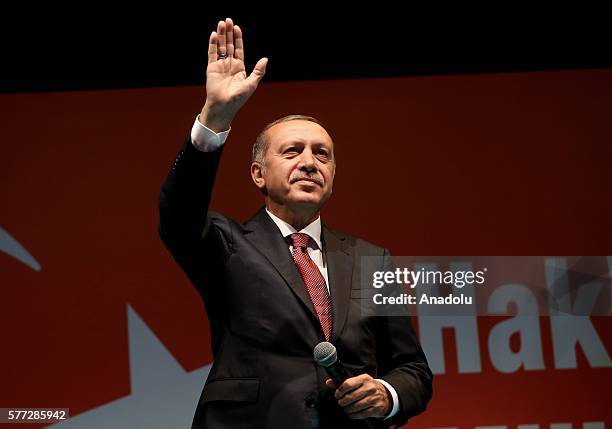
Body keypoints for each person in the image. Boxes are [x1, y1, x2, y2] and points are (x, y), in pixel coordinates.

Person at [158, 17, 432, 429]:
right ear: (258, 174)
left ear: (333, 176)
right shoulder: (227, 244)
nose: (309, 162)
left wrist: (387, 394)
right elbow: (178, 213)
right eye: (292, 152)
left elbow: (412, 369)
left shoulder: (371, 258)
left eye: (322, 155)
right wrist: (214, 118)